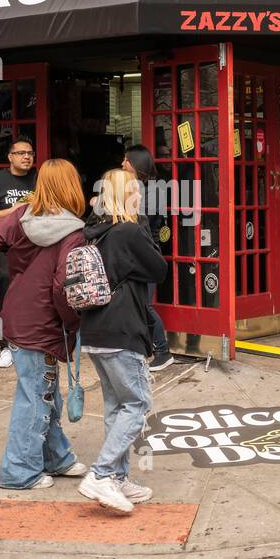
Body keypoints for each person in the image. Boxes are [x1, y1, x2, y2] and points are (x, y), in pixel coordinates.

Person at [0, 158, 89, 490]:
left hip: (16, 314)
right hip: (42, 322)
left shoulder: (22, 215)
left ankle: (57, 458)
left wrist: (20, 263)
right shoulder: (73, 231)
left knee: (43, 393)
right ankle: (18, 471)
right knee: (35, 398)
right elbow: (62, 287)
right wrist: (72, 324)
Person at [76, 168, 169, 513]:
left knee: (117, 406)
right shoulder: (129, 230)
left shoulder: (95, 233)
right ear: (125, 194)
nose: (140, 195)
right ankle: (101, 475)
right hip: (123, 330)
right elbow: (158, 270)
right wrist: (142, 226)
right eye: (135, 190)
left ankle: (117, 478)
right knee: (138, 404)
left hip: (96, 330)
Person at [0, 136, 38, 368]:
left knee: (34, 293)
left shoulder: (39, 178)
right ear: (10, 157)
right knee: (6, 292)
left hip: (34, 244)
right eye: (21, 153)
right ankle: (4, 345)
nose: (26, 157)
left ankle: (30, 340)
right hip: (5, 247)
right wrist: (11, 211)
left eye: (30, 153)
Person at [122, 144, 173, 371]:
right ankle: (141, 348)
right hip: (132, 253)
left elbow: (136, 217)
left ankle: (163, 351)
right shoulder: (133, 187)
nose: (122, 164)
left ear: (136, 164)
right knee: (134, 302)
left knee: (145, 304)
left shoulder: (153, 190)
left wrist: (104, 203)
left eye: (126, 160)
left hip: (147, 254)